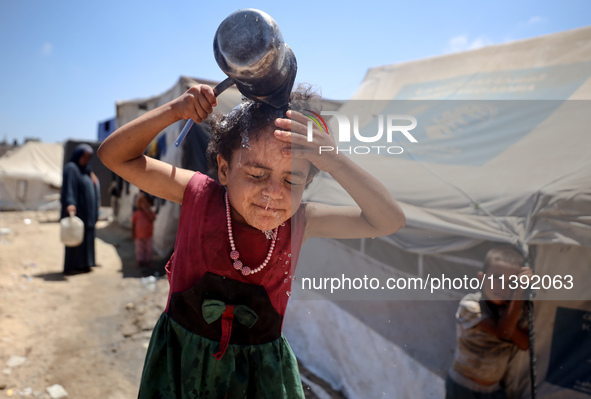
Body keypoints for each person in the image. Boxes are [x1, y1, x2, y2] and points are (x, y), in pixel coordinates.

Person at [98, 83, 406, 398]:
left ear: (308, 183)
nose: (273, 193)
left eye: (291, 180)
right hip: (180, 369)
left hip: (260, 381)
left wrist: (334, 160)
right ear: (223, 168)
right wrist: (174, 111)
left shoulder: (299, 222)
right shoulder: (198, 195)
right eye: (257, 175)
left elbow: (389, 220)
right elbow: (114, 156)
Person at [446, 246, 534, 399]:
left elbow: (525, 344)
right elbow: (503, 331)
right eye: (497, 278)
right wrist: (519, 292)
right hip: (462, 387)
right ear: (482, 278)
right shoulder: (470, 305)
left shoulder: (515, 309)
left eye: (510, 282)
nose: (501, 287)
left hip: (493, 390)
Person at [60, 143, 100, 275]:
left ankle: (86, 263)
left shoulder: (87, 172)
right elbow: (69, 187)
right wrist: (70, 203)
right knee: (74, 236)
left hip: (88, 214)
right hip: (79, 211)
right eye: (84, 157)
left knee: (87, 238)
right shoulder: (71, 168)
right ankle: (72, 266)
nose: (85, 160)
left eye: (88, 158)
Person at [131, 192, 156, 268]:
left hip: (149, 235)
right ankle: (140, 261)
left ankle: (148, 261)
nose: (145, 204)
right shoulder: (137, 213)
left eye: (146, 202)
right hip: (139, 235)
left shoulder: (151, 213)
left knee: (148, 249)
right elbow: (133, 224)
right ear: (139, 203)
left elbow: (153, 219)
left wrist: (147, 212)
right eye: (143, 202)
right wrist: (133, 233)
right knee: (140, 250)